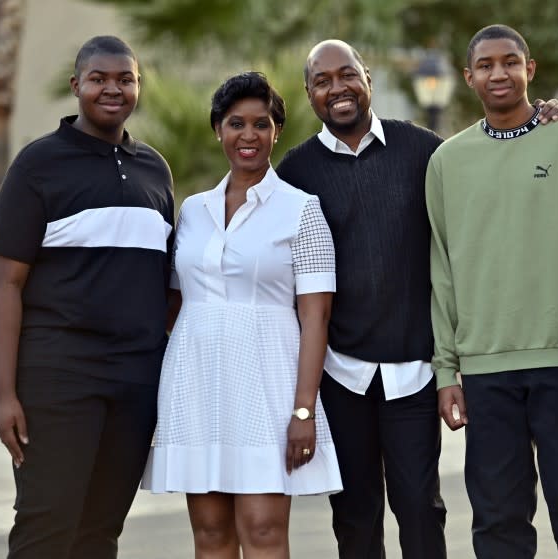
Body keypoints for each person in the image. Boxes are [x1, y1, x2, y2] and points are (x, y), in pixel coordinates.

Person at [276, 39, 558, 558]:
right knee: (353, 511)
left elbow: (492, 160)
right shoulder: (296, 173)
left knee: (419, 506)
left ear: (367, 78)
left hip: (413, 371)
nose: (337, 88)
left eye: (346, 74)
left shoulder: (424, 151)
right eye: (322, 81)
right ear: (309, 94)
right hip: (341, 372)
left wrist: (545, 118)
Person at [427, 24, 558, 559]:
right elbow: (442, 270)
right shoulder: (447, 162)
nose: (498, 73)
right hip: (484, 371)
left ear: (530, 70)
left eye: (510, 62)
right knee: (497, 524)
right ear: (468, 78)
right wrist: (446, 372)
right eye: (485, 65)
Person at [0, 36, 175, 559]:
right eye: (99, 79)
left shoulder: (155, 172)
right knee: (47, 527)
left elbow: (163, 283)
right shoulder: (37, 166)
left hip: (135, 380)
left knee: (100, 530)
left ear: (138, 85)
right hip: (58, 375)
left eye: (125, 79)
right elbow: (5, 285)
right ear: (77, 86)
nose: (112, 89)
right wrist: (6, 395)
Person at [141, 71, 342, 557]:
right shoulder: (192, 210)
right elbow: (174, 301)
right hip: (197, 387)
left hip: (269, 388)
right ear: (218, 129)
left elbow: (315, 319)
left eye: (261, 124)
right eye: (236, 123)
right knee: (209, 533)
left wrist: (303, 410)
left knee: (264, 530)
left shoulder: (302, 210)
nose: (248, 135)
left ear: (276, 131)